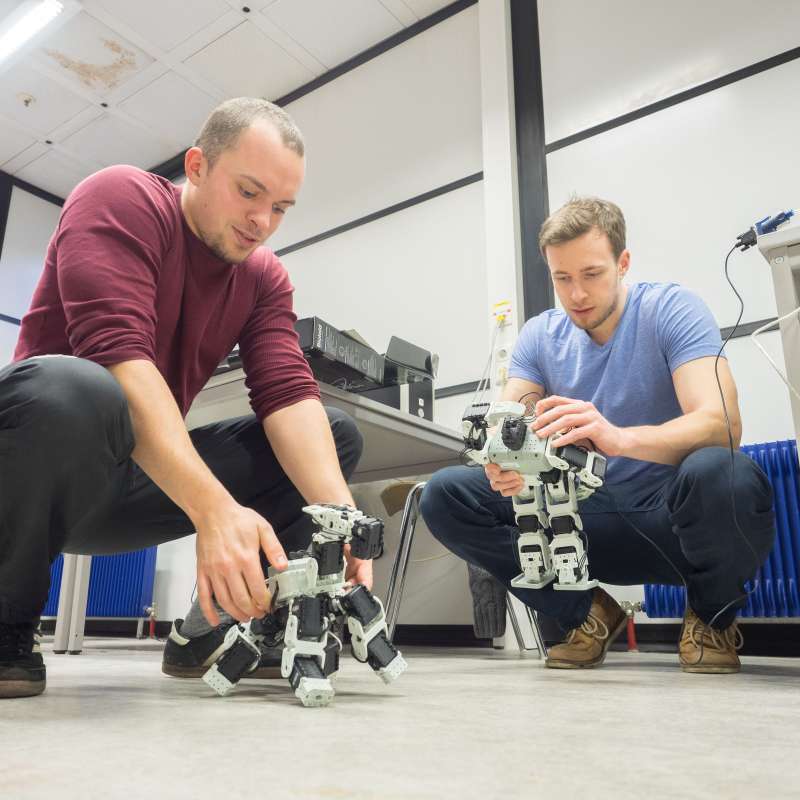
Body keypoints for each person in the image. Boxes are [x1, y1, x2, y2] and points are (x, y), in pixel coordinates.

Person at [0, 97, 368, 698]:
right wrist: (214, 511)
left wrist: (344, 523)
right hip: (40, 469)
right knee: (76, 388)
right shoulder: (121, 198)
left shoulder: (262, 277)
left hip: (129, 482)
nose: (262, 221)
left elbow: (286, 392)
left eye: (280, 207)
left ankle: (211, 630)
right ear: (197, 166)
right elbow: (117, 354)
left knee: (334, 434)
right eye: (248, 192)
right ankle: (6, 618)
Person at [421, 197, 776, 673]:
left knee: (725, 471)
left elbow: (723, 423)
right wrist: (504, 463)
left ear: (622, 263)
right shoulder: (539, 336)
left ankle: (712, 620)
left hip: (671, 520)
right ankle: (587, 614)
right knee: (446, 494)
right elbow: (508, 423)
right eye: (562, 278)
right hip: (580, 520)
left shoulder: (672, 309)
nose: (577, 294)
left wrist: (618, 438)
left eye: (591, 274)